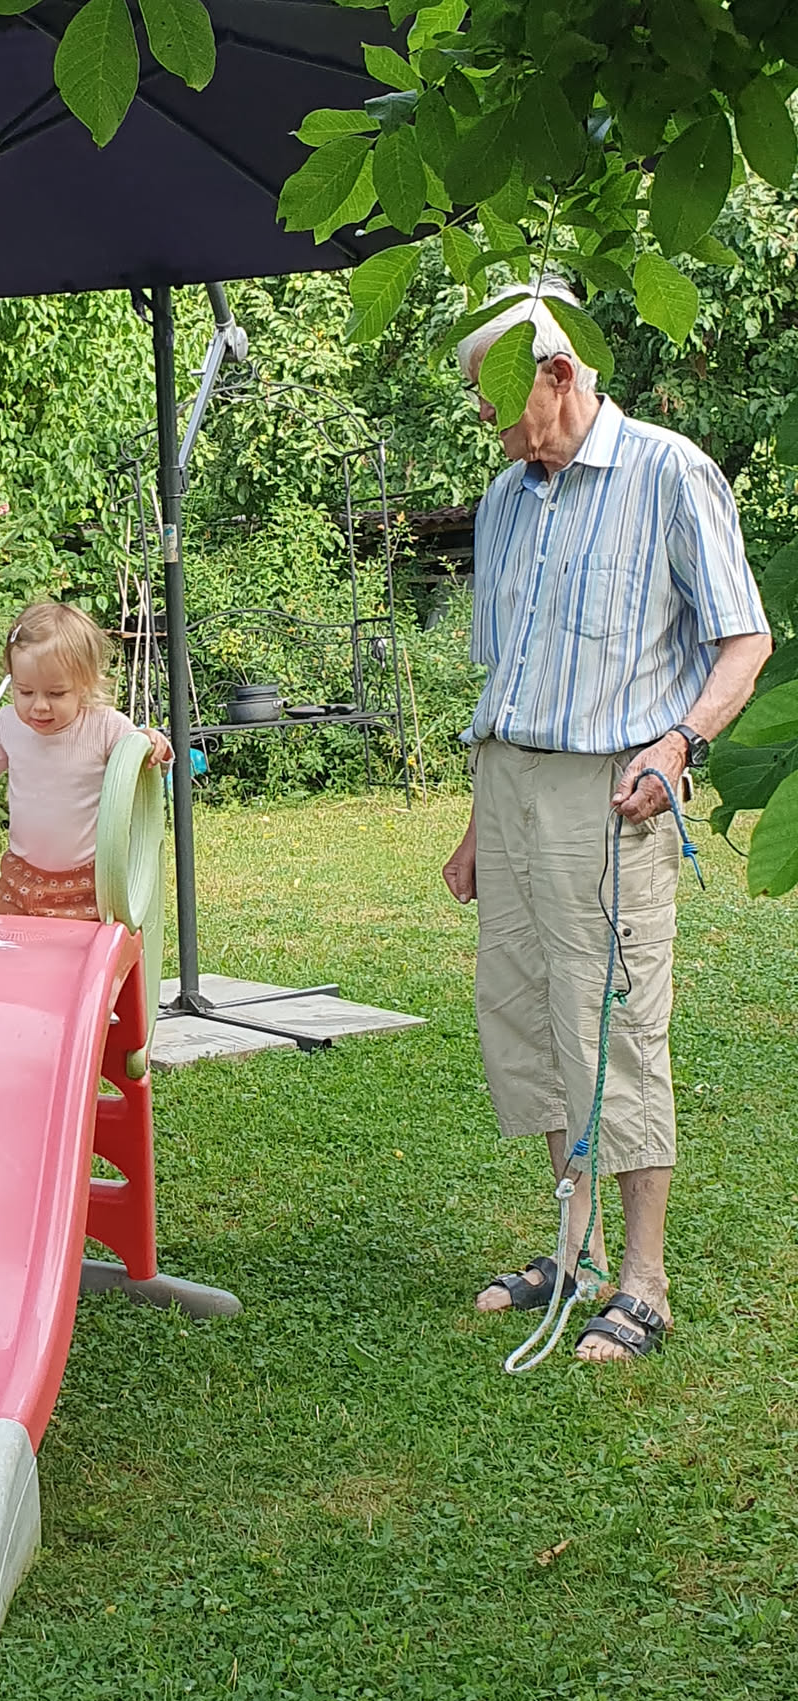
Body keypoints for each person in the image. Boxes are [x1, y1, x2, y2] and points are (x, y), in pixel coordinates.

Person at [442, 280, 771, 1362]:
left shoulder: (670, 471)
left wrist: (679, 746)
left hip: (611, 792)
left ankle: (645, 1282)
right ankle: (575, 1254)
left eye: (494, 395)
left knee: (615, 1027)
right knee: (534, 1016)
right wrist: (481, 823)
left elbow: (744, 640)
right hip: (511, 783)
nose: (483, 418)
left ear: (556, 373)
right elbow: (508, 674)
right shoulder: (504, 500)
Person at [0, 601, 173, 920]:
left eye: (56, 694)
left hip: (89, 883)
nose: (39, 706)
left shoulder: (105, 726)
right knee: (18, 947)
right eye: (25, 692)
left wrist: (152, 744)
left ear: (84, 685)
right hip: (23, 878)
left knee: (80, 951)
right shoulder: (9, 724)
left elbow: (146, 770)